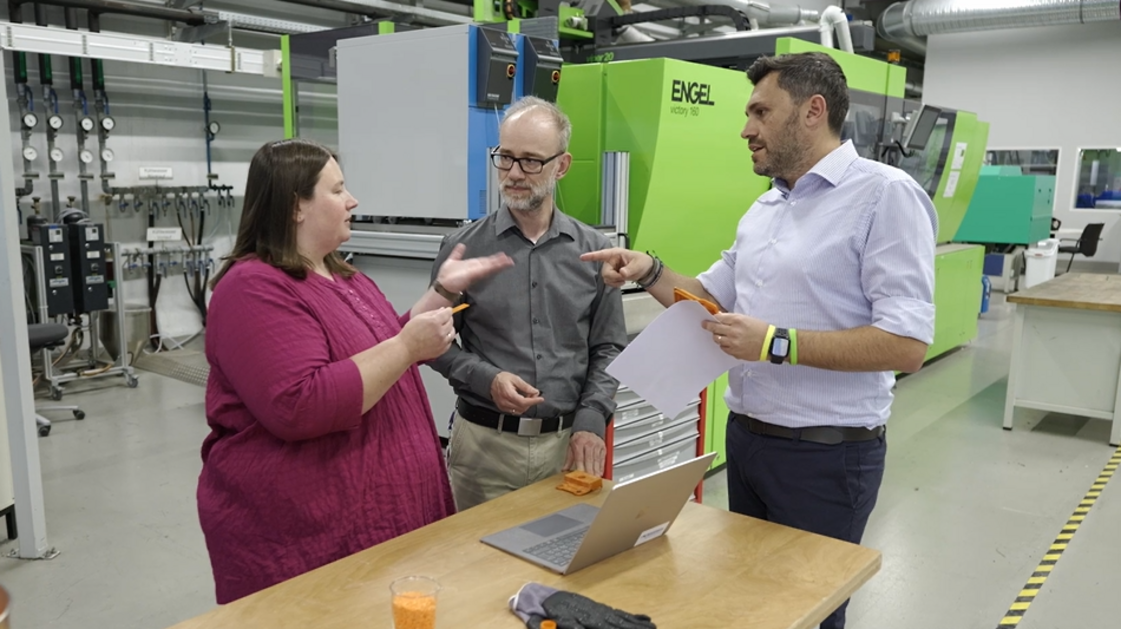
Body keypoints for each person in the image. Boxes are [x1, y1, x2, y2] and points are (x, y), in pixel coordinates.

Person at [582, 52, 937, 629]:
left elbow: (906, 345)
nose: (746, 128)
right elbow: (710, 299)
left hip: (827, 457)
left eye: (760, 111)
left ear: (812, 111)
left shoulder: (884, 196)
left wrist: (774, 342)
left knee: (808, 614)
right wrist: (648, 270)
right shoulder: (767, 207)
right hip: (748, 444)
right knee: (754, 609)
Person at [197, 138, 513, 604]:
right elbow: (300, 403)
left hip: (383, 523)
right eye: (337, 190)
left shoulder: (344, 276)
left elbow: (381, 349)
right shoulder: (253, 289)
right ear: (295, 207)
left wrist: (442, 292)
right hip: (309, 537)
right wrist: (407, 347)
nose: (353, 200)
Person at [428, 96, 628, 511]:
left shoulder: (593, 251)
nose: (515, 174)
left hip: (566, 449)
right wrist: (486, 378)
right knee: (477, 570)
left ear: (562, 165)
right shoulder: (462, 249)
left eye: (532, 161)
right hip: (484, 451)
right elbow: (433, 342)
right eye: (506, 158)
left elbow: (609, 347)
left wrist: (592, 421)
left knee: (562, 566)